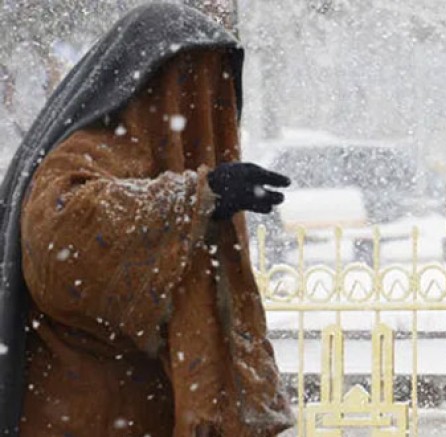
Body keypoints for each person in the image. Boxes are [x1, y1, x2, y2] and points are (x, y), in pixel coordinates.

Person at [0, 4, 294, 436]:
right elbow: (59, 238)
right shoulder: (88, 150)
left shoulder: (175, 169)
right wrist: (196, 197)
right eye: (193, 84)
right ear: (153, 83)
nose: (206, 109)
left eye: (218, 93)